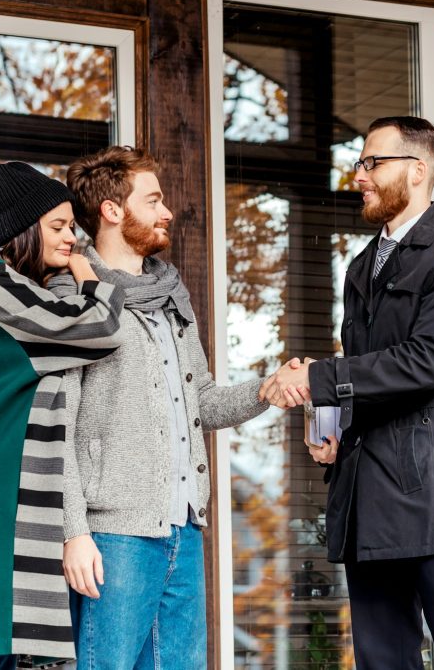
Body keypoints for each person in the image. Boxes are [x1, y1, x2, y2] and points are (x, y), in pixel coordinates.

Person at [266, 117, 434, 669]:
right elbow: (362, 368)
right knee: (383, 662)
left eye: (372, 162)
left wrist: (317, 379)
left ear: (418, 170)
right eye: (360, 163)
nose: (360, 175)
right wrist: (329, 427)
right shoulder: (361, 266)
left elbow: (427, 364)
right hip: (367, 494)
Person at [54, 146, 303, 670]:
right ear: (112, 211)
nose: (167, 212)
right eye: (154, 200)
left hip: (184, 528)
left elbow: (203, 402)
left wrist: (266, 388)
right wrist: (74, 531)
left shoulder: (170, 297)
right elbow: (58, 425)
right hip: (114, 534)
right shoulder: (72, 292)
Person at [0, 162, 127, 669]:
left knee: (16, 644)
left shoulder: (28, 290)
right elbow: (101, 328)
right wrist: (88, 273)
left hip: (18, 488)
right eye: (58, 228)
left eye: (73, 229)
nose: (72, 240)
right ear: (24, 229)